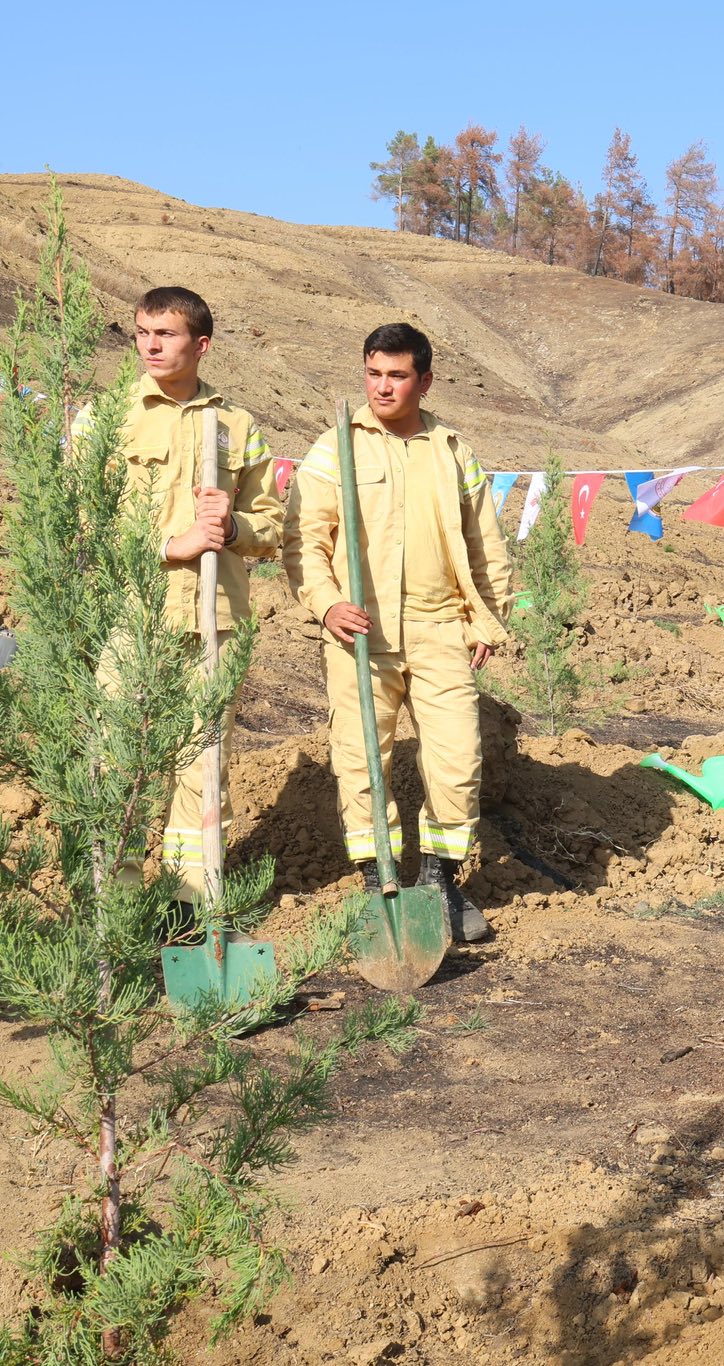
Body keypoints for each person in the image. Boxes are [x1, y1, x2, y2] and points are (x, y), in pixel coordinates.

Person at [282, 323, 511, 942]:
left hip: (441, 626)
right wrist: (328, 605)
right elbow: (304, 540)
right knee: (361, 762)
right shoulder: (337, 448)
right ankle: (378, 886)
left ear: (424, 380)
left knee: (457, 759)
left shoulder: (451, 449)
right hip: (360, 632)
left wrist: (487, 617)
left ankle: (438, 884)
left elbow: (484, 541)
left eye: (397, 375)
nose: (383, 387)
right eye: (373, 373)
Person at [76, 286, 282, 938]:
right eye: (143, 333)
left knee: (204, 764)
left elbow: (274, 525)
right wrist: (174, 544)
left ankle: (187, 907)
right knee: (127, 763)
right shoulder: (105, 421)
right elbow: (83, 523)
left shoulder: (236, 426)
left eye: (165, 334)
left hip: (215, 619)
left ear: (201, 345)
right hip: (134, 617)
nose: (151, 346)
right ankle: (120, 915)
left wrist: (233, 526)